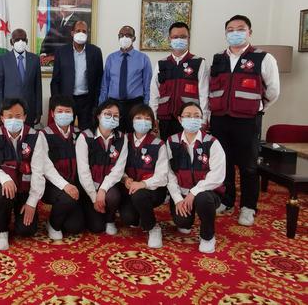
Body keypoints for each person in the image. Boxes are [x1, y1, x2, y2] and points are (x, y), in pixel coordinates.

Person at [209, 15, 280, 226]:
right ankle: (226, 200)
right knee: (224, 163)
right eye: (230, 29)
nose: (235, 33)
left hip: (247, 120)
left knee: (249, 166)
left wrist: (257, 107)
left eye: (240, 29)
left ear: (250, 32)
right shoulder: (218, 59)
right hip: (220, 118)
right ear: (226, 34)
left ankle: (248, 207)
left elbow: (273, 91)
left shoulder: (263, 58)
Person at [0, 98, 45, 250]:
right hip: (5, 189)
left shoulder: (36, 136)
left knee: (26, 230)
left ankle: (19, 213)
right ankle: (2, 230)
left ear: (24, 117)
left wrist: (31, 202)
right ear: (2, 118)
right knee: (3, 195)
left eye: (18, 116)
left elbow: (38, 172)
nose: (13, 120)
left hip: (25, 189)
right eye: (9, 116)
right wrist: (4, 178)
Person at [167, 102, 225, 254]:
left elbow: (217, 175)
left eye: (196, 116)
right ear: (180, 119)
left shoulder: (212, 142)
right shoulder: (172, 141)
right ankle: (186, 216)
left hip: (207, 192)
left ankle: (207, 236)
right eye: (188, 116)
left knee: (203, 199)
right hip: (181, 192)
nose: (192, 119)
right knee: (183, 223)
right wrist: (178, 199)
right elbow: (169, 174)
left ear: (202, 119)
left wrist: (194, 192)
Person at [149, 22, 209, 140]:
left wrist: (204, 119)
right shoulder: (161, 64)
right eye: (175, 37)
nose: (179, 40)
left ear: (188, 39)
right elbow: (154, 93)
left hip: (189, 119)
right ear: (169, 39)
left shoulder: (199, 63)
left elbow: (204, 94)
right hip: (165, 119)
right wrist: (153, 117)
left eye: (183, 37)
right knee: (167, 152)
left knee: (188, 153)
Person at [120, 104, 169, 248]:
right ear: (132, 121)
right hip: (128, 187)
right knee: (129, 219)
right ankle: (140, 214)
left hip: (152, 190)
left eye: (147, 118)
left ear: (152, 123)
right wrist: (125, 178)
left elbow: (162, 175)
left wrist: (142, 184)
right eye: (138, 118)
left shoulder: (158, 144)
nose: (143, 121)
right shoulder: (124, 140)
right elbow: (116, 165)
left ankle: (153, 228)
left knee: (140, 196)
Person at [76, 99, 127, 235]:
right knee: (96, 227)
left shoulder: (122, 138)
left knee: (113, 196)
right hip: (88, 187)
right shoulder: (85, 136)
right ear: (98, 115)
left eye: (116, 115)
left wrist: (103, 189)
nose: (112, 118)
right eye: (108, 114)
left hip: (108, 185)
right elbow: (83, 171)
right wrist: (94, 196)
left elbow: (118, 169)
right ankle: (90, 209)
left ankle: (110, 219)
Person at [39, 95, 84, 240]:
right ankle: (52, 224)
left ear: (73, 114)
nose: (64, 114)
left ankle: (64, 215)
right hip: (52, 186)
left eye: (67, 111)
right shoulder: (44, 134)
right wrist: (65, 185)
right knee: (67, 199)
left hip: (74, 185)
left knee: (75, 227)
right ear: (52, 113)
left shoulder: (79, 134)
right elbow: (46, 166)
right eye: (60, 111)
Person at [51, 21, 104, 130]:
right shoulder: (61, 52)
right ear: (72, 33)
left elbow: (100, 79)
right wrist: (56, 102)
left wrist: (97, 103)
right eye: (78, 31)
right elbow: (55, 80)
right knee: (65, 131)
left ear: (87, 34)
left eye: (84, 31)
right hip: (66, 100)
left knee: (87, 132)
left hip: (87, 101)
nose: (81, 33)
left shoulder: (95, 52)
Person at [99, 26, 152, 133]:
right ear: (118, 37)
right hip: (113, 104)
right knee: (114, 135)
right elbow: (105, 85)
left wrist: (146, 107)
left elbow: (148, 85)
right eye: (121, 35)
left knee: (133, 135)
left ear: (134, 38)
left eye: (128, 35)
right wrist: (101, 107)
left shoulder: (143, 58)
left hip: (135, 104)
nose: (124, 38)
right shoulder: (111, 58)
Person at [0, 29, 42, 126]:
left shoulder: (35, 59)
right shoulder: (2, 59)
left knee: (28, 138)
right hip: (9, 111)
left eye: (23, 39)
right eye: (17, 39)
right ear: (11, 41)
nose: (20, 42)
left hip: (29, 110)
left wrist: (39, 111)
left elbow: (38, 87)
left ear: (27, 41)